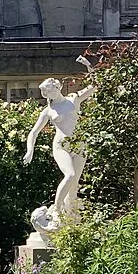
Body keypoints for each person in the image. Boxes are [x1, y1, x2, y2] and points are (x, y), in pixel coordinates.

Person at [22, 66, 98, 230]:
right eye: (45, 93)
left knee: (74, 185)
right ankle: (57, 210)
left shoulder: (74, 99)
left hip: (79, 145)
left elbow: (94, 85)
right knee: (69, 175)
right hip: (61, 145)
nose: (48, 95)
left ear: (57, 88)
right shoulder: (49, 111)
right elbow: (33, 132)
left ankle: (71, 219)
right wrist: (30, 150)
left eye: (49, 91)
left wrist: (88, 66)